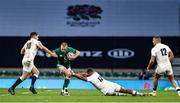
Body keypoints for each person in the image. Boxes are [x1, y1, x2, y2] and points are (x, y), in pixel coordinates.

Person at [72, 69, 146, 96]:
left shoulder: (91, 78)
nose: (86, 74)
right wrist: (75, 73)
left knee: (110, 94)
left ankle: (119, 94)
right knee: (126, 90)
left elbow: (82, 78)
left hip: (108, 90)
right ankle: (138, 93)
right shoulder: (95, 73)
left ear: (89, 73)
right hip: (112, 84)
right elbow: (84, 74)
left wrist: (74, 74)